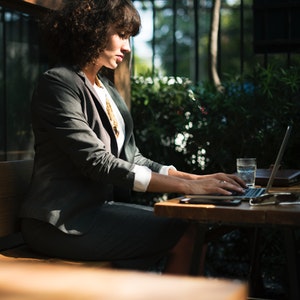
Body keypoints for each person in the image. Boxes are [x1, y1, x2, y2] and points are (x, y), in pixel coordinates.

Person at [20, 0, 245, 274]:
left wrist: (196, 179)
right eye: (122, 35)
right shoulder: (58, 84)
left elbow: (131, 156)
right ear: (94, 29)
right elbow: (98, 162)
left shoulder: (108, 89)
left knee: (190, 226)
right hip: (59, 223)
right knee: (185, 232)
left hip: (96, 212)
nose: (127, 47)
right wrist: (188, 189)